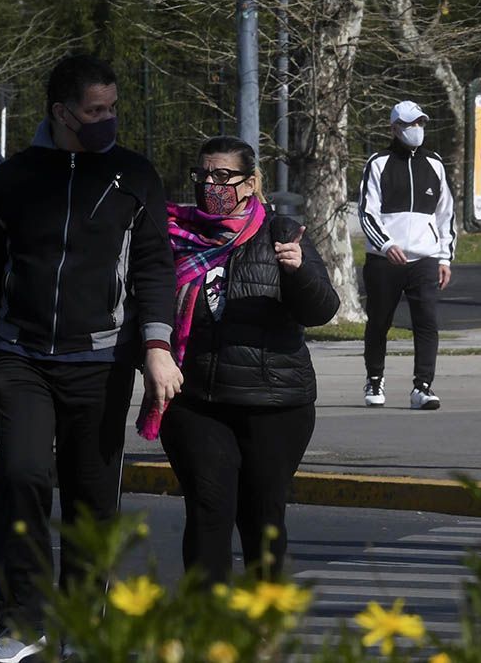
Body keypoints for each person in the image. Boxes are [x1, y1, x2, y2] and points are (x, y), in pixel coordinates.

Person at [0, 54, 183, 663]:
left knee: (91, 497)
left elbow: (155, 267)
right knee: (24, 478)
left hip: (101, 362)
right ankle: (21, 625)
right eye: (95, 111)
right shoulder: (15, 177)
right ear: (61, 113)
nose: (108, 119)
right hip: (19, 356)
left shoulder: (135, 175)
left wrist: (156, 348)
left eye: (113, 108)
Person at [137, 136, 339, 584]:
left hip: (275, 402)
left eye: (223, 176)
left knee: (262, 517)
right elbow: (146, 307)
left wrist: (299, 270)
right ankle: (208, 630)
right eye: (203, 175)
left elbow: (322, 309)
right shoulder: (172, 235)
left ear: (250, 184)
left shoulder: (281, 233)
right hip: (197, 402)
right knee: (209, 509)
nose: (211, 184)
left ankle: (262, 626)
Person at [358, 100, 456, 410]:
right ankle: (375, 378)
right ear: (394, 128)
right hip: (384, 260)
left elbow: (446, 215)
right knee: (379, 321)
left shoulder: (435, 164)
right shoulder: (378, 163)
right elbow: (367, 213)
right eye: (410, 124)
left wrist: (444, 258)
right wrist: (387, 245)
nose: (416, 130)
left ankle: (422, 387)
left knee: (427, 322)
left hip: (424, 260)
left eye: (421, 123)